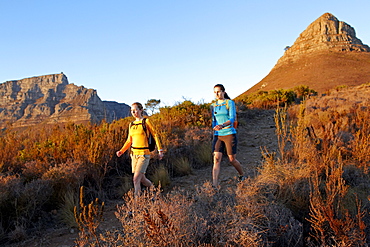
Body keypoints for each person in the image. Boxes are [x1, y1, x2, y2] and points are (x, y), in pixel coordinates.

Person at [116, 102, 164, 196]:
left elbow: (155, 135)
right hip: (134, 155)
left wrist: (160, 150)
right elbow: (129, 140)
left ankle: (136, 206)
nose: (134, 112)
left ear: (141, 110)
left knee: (136, 179)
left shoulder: (146, 122)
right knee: (142, 179)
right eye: (132, 111)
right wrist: (121, 151)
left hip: (144, 154)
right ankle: (155, 192)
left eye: (135, 110)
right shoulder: (131, 124)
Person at [211, 84, 245, 188]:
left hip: (229, 133)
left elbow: (232, 118)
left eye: (218, 91)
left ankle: (242, 175)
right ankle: (214, 186)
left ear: (223, 92)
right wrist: (214, 127)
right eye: (215, 92)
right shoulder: (213, 106)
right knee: (216, 159)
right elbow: (213, 120)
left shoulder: (229, 103)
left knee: (232, 160)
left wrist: (222, 125)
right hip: (218, 135)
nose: (216, 94)